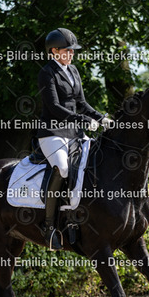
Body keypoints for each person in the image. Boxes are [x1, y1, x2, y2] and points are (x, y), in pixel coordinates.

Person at [37, 28, 114, 249]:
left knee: (95, 162)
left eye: (72, 51)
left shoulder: (72, 70)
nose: (71, 54)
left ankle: (79, 215)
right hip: (52, 133)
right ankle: (49, 226)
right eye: (67, 50)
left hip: (74, 133)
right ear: (54, 51)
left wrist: (101, 118)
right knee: (62, 168)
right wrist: (82, 120)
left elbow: (81, 103)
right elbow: (54, 107)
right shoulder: (47, 73)